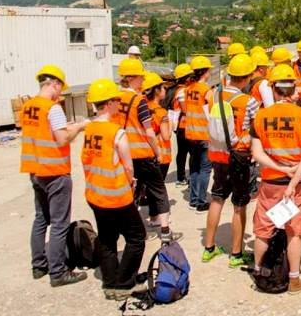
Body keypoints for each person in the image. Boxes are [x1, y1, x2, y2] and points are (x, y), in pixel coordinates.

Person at [251, 64, 301, 294]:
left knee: (264, 229)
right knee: (294, 231)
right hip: (296, 186)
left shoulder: (261, 116)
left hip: (270, 183)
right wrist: (291, 180)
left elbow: (257, 154)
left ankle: (259, 271)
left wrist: (278, 167)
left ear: (273, 88)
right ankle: (294, 279)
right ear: (293, 88)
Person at [21, 65, 88, 287]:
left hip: (35, 170)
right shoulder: (53, 108)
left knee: (41, 219)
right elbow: (61, 139)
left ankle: (38, 265)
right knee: (59, 223)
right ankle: (58, 272)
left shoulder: (29, 106)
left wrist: (65, 127)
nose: (60, 92)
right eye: (60, 88)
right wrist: (78, 127)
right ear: (55, 84)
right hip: (55, 171)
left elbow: (44, 132)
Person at [82, 78, 146, 301]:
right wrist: (132, 182)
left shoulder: (90, 128)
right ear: (108, 103)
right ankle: (124, 282)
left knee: (107, 239)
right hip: (117, 195)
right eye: (116, 101)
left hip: (95, 193)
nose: (119, 104)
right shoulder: (116, 132)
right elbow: (128, 165)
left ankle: (110, 283)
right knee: (137, 238)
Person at [114, 58, 181, 243]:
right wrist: (158, 152)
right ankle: (165, 232)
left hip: (123, 153)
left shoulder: (115, 99)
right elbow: (149, 133)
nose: (142, 81)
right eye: (140, 78)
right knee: (159, 192)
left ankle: (130, 230)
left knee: (131, 193)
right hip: (143, 154)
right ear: (132, 78)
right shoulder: (138, 100)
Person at [203, 54, 260, 267]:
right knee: (239, 205)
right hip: (239, 157)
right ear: (245, 78)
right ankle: (236, 254)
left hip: (217, 155)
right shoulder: (249, 102)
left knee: (217, 198)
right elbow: (256, 130)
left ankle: (209, 247)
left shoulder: (213, 95)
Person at [185, 56, 214, 213]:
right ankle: (201, 202)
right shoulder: (206, 91)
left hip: (191, 134)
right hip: (204, 134)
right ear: (205, 72)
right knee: (205, 169)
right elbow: (212, 113)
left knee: (194, 168)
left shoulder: (188, 89)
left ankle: (193, 199)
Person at [143, 72, 172, 179]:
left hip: (145, 152)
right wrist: (171, 125)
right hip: (161, 154)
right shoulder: (161, 113)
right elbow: (166, 136)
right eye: (163, 87)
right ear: (156, 90)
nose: (165, 90)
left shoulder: (142, 107)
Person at [172, 64, 194, 186]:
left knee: (182, 152)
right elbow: (185, 110)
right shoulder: (182, 91)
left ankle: (181, 177)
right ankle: (186, 177)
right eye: (190, 76)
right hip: (184, 126)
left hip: (181, 126)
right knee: (189, 153)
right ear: (186, 78)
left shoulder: (180, 89)